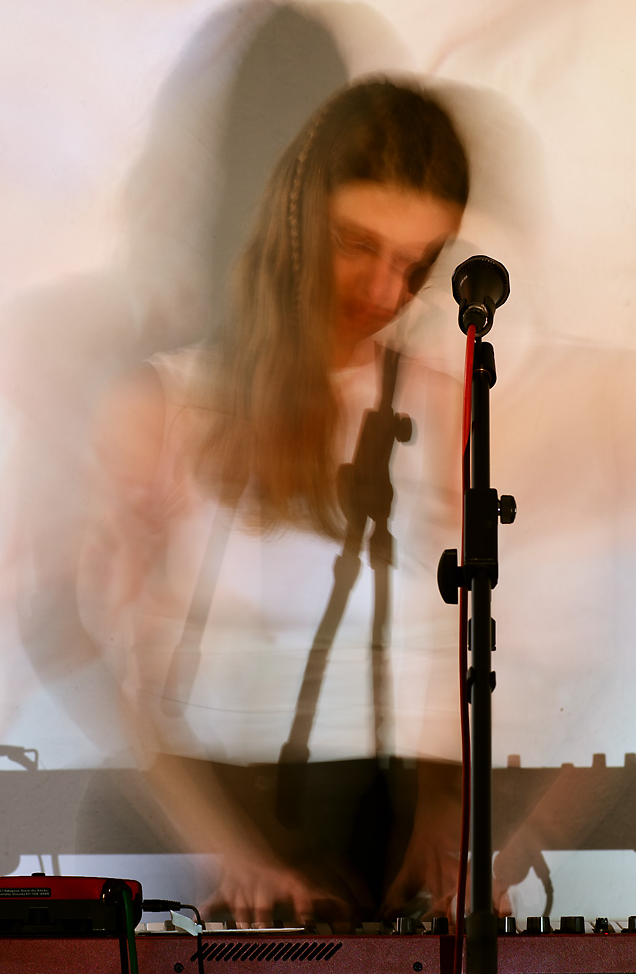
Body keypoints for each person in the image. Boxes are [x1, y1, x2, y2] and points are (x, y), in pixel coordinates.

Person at [82, 77, 469, 926]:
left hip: (372, 836)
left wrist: (444, 814)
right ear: (293, 220)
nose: (383, 292)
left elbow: (443, 644)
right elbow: (104, 664)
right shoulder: (161, 403)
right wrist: (225, 853)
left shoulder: (441, 402)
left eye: (417, 264)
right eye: (356, 244)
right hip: (194, 842)